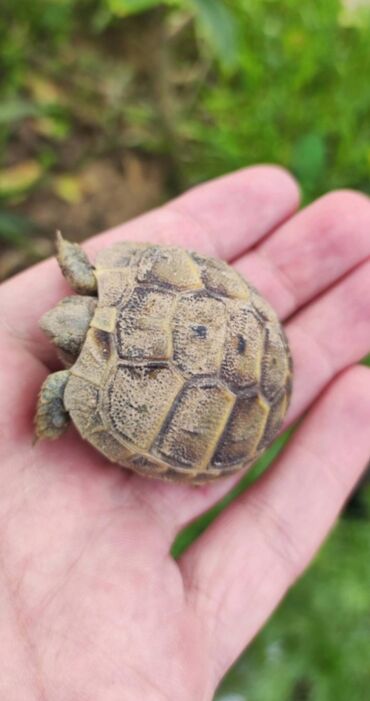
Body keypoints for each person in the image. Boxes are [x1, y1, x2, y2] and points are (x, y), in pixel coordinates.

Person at [0, 165, 369, 700]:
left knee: (62, 393)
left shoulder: (68, 380)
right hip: (239, 346)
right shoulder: (92, 327)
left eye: (68, 325)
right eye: (67, 323)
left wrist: (46, 421)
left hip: (232, 387)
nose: (52, 327)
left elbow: (61, 387)